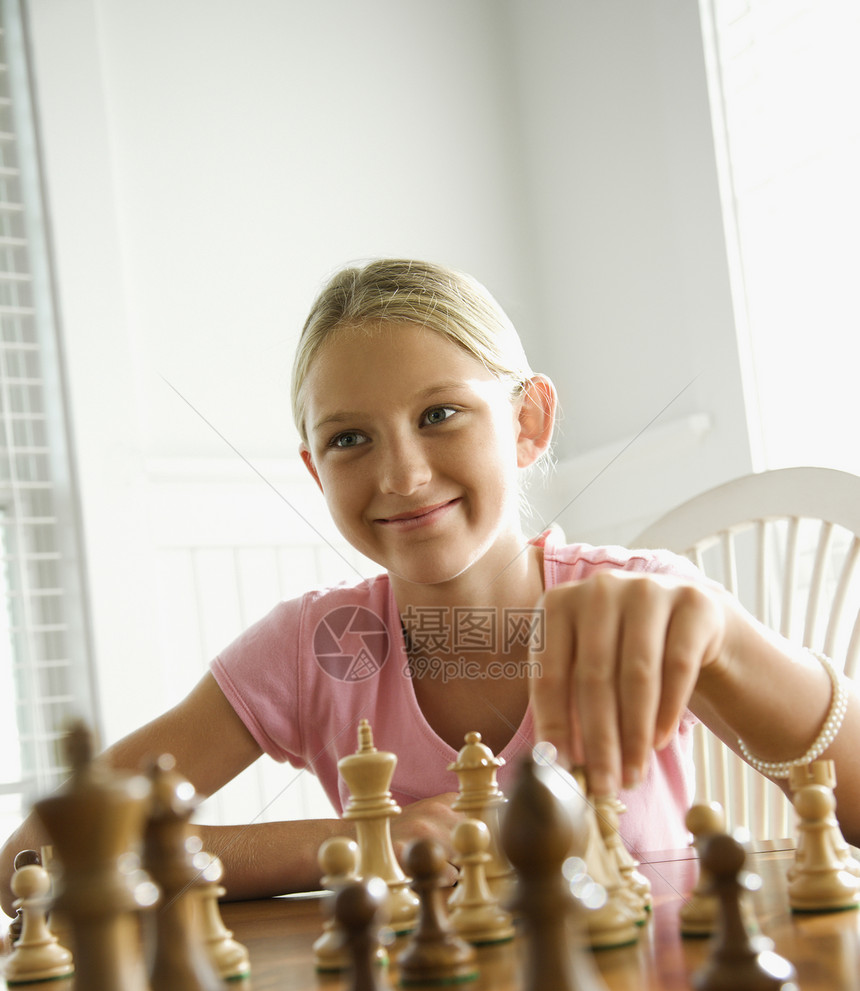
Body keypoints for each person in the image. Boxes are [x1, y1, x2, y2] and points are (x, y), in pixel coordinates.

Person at [2, 258, 859, 915]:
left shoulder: (642, 603)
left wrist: (725, 637)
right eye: (349, 439)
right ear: (314, 469)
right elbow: (30, 858)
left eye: (440, 415)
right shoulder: (311, 650)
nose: (403, 476)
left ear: (527, 423)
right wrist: (359, 841)